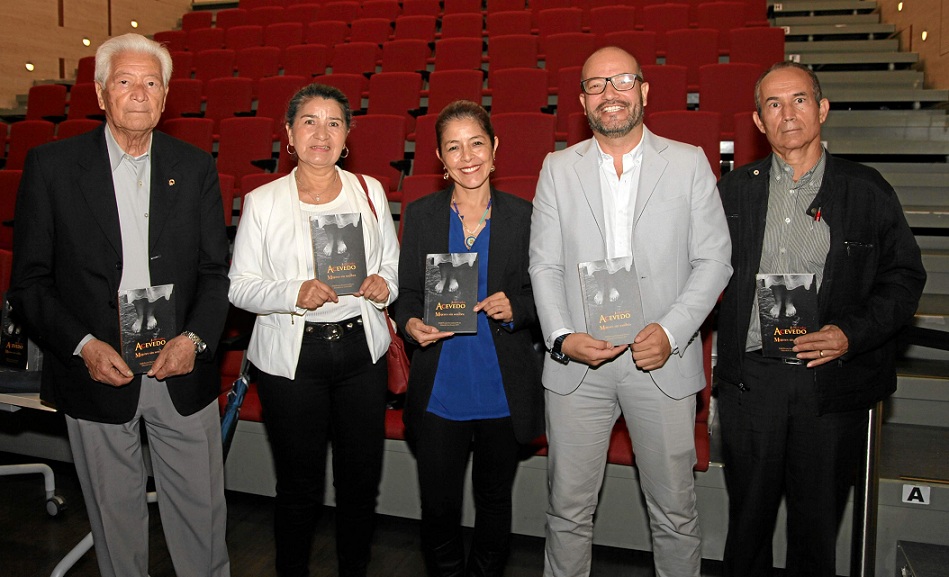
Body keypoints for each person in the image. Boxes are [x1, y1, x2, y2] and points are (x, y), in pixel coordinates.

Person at [9, 33, 231, 577]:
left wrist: (195, 341)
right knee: (115, 521)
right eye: (125, 82)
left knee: (202, 517)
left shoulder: (196, 166)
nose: (138, 94)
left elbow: (215, 272)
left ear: (166, 94)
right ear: (101, 92)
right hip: (94, 368)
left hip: (180, 368)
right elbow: (30, 283)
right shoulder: (52, 167)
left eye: (151, 83)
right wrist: (82, 345)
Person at [715, 61, 926, 577]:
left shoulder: (867, 189)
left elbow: (904, 280)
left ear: (823, 108)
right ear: (758, 122)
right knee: (746, 531)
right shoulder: (732, 192)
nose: (787, 114)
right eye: (773, 104)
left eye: (800, 100)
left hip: (829, 385)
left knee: (816, 534)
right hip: (752, 383)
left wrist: (848, 333)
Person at [528, 47, 732, 577]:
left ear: (643, 90)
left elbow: (714, 261)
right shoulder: (557, 168)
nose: (609, 94)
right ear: (582, 101)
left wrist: (672, 331)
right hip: (579, 366)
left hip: (661, 362)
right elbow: (544, 266)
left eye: (621, 81)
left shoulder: (688, 162)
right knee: (567, 512)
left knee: (675, 514)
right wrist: (561, 336)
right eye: (596, 85)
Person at [228, 83, 399, 577]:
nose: (321, 133)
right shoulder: (262, 201)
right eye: (309, 121)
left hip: (359, 354)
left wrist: (381, 283)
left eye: (333, 123)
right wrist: (292, 293)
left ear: (347, 137)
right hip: (291, 359)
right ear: (289, 134)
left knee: (359, 483)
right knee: (298, 487)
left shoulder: (370, 191)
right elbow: (239, 288)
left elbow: (392, 267)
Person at [393, 100, 544, 577]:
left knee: (495, 504)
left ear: (495, 148)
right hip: (441, 390)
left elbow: (547, 298)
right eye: (453, 147)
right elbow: (407, 296)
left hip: (502, 389)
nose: (467, 156)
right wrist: (411, 324)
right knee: (439, 508)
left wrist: (517, 309)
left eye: (476, 143)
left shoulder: (526, 217)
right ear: (440, 159)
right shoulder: (420, 216)